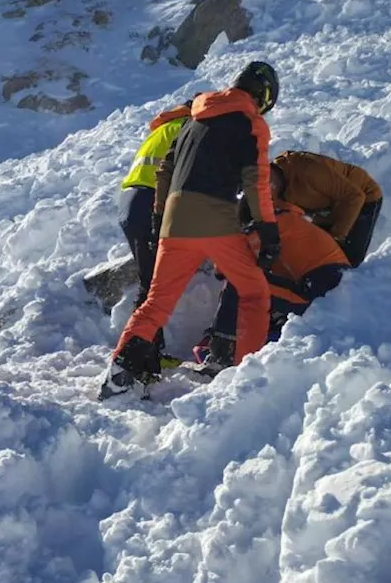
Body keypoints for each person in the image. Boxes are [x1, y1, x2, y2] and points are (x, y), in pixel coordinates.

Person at [99, 61, 281, 399]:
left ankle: (120, 371)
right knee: (254, 291)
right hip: (214, 216)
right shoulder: (250, 122)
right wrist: (267, 229)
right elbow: (256, 180)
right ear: (264, 96)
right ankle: (245, 376)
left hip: (174, 220)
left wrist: (158, 218)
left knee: (156, 302)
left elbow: (166, 170)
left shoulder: (195, 118)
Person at [193, 197, 350, 372]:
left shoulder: (271, 226)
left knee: (239, 283)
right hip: (327, 290)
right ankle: (234, 347)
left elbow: (223, 269)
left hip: (317, 291)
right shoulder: (288, 221)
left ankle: (220, 354)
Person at [117, 99, 195, 353]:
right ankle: (136, 353)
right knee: (152, 288)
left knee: (148, 281)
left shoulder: (165, 127)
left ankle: (150, 350)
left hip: (130, 201)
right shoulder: (189, 126)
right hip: (150, 200)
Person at [270, 150, 383, 267]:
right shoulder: (274, 193)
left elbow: (355, 197)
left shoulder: (308, 169)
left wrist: (337, 236)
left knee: (348, 258)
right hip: (327, 208)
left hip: (362, 198)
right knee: (318, 253)